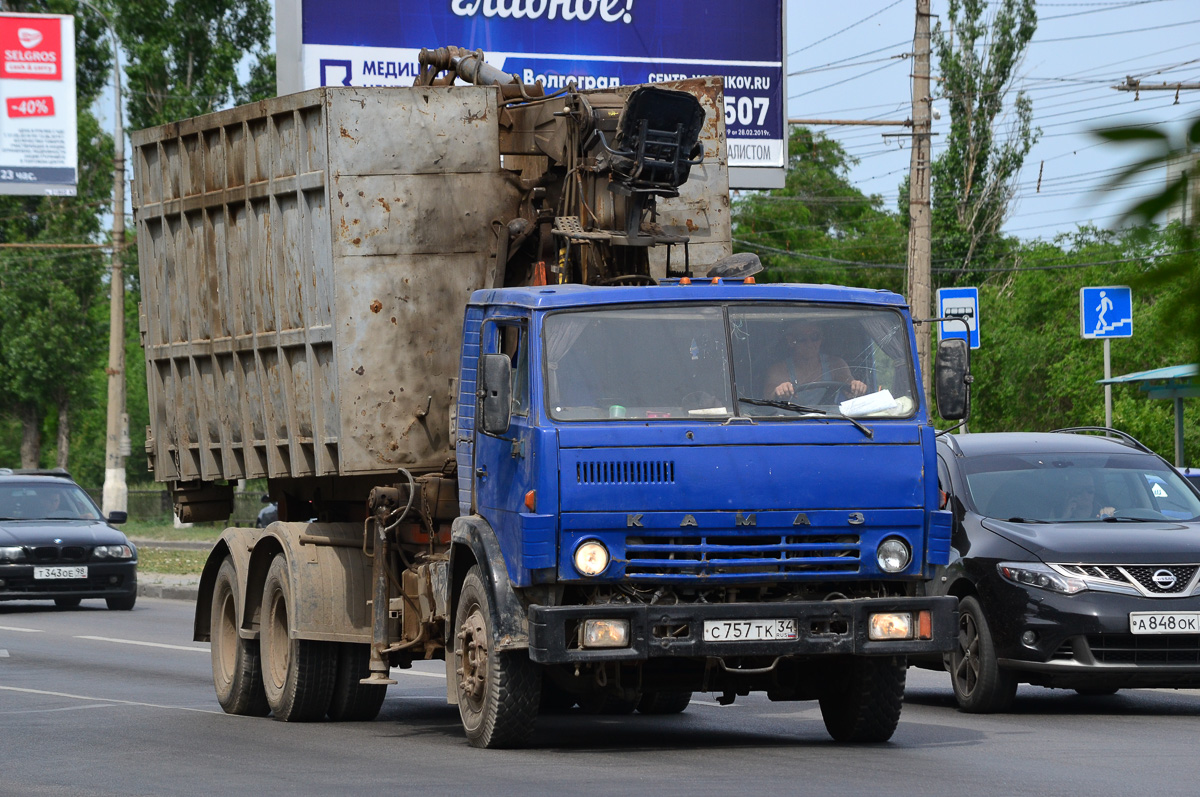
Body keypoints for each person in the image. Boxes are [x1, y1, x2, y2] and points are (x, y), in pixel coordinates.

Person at [764, 321, 868, 402]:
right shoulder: (778, 370)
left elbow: (851, 389)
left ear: (821, 339)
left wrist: (857, 387)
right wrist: (779, 391)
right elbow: (766, 402)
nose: (809, 343)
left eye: (815, 337)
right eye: (802, 338)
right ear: (791, 341)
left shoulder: (835, 365)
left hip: (830, 423)